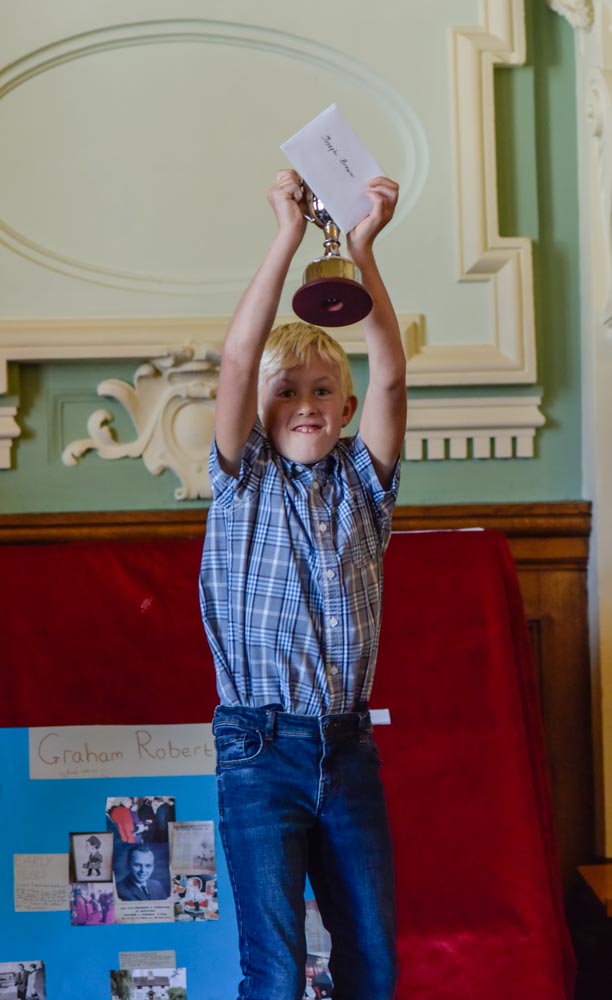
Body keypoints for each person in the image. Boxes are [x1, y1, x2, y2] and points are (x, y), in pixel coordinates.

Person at [199, 168, 406, 1000]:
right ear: (260, 409)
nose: (305, 404)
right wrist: (288, 236)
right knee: (277, 973)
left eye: (323, 391)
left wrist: (360, 253)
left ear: (347, 408)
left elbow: (392, 375)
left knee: (374, 966)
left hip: (348, 748)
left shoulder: (368, 485)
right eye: (286, 394)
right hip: (259, 752)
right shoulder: (241, 479)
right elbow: (241, 356)